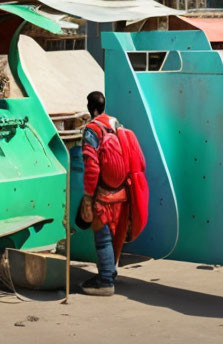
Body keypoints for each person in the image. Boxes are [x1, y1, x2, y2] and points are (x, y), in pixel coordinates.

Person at [78, 91, 125, 296]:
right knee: (114, 236)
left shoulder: (91, 130)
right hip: (121, 191)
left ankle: (106, 281)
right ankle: (110, 272)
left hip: (102, 195)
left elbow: (92, 167)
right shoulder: (116, 123)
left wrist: (88, 197)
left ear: (90, 107)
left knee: (103, 238)